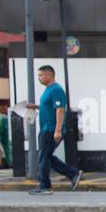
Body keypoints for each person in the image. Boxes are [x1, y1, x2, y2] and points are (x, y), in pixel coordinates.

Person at [27, 65, 82, 196]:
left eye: (41, 75)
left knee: (43, 157)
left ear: (49, 75)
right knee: (46, 157)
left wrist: (57, 130)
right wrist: (35, 106)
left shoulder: (56, 89)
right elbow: (49, 107)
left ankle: (45, 186)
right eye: (38, 76)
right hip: (46, 128)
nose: (39, 78)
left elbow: (60, 110)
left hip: (51, 129)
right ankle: (73, 174)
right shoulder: (48, 90)